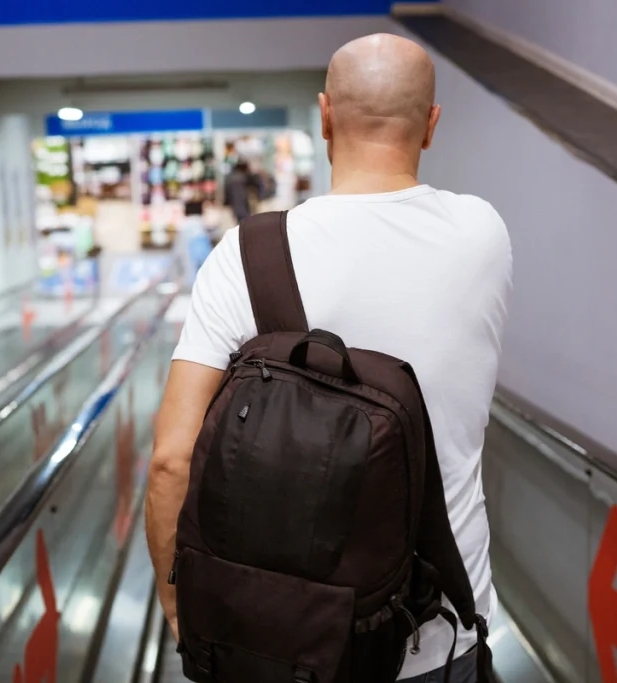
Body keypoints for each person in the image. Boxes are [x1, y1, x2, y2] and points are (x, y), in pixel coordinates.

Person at [146, 33, 512, 683]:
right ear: (430, 125)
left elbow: (172, 459)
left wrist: (181, 609)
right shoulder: (482, 234)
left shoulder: (245, 254)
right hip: (433, 639)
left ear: (323, 116)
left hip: (282, 645)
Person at [223, 159, 259, 224]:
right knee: (246, 221)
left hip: (235, 203)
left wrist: (226, 202)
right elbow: (257, 184)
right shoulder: (245, 177)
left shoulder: (230, 178)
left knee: (239, 221)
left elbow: (226, 191)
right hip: (244, 202)